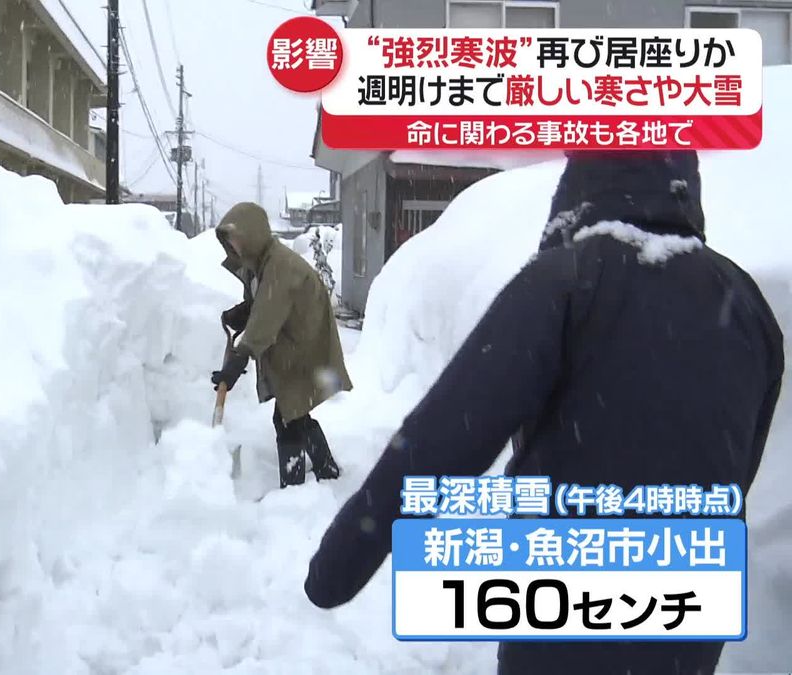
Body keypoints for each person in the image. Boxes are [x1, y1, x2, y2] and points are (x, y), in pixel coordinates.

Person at [303, 151, 784, 675]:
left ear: (576, 191)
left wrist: (340, 565)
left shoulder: (567, 280)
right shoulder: (746, 303)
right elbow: (740, 462)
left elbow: (446, 434)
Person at [212, 202, 352, 489]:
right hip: (292, 342)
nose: (234, 246)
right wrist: (242, 312)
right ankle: (326, 469)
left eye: (237, 239)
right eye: (230, 242)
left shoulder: (280, 266)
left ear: (253, 234)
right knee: (296, 412)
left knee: (288, 417)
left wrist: (238, 362)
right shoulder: (257, 265)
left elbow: (267, 315)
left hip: (305, 343)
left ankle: (294, 488)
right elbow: (260, 304)